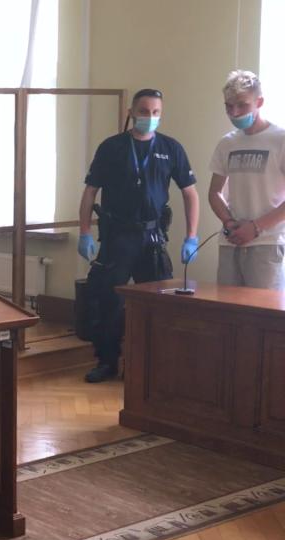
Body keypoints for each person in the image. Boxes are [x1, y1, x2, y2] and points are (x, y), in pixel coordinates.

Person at [77, 88, 199, 383]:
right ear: (131, 112)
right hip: (118, 236)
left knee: (158, 302)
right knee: (108, 300)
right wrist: (85, 232)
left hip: (152, 237)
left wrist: (191, 237)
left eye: (156, 112)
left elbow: (190, 193)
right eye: (144, 111)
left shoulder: (171, 148)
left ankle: (153, 366)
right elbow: (91, 191)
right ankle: (107, 361)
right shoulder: (112, 147)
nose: (150, 117)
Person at [208, 70, 285, 290]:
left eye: (242, 105)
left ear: (259, 102)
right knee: (227, 307)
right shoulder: (227, 143)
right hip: (231, 241)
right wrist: (228, 222)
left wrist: (256, 227)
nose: (234, 112)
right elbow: (214, 192)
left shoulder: (280, 139)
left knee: (262, 309)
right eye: (229, 106)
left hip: (266, 243)